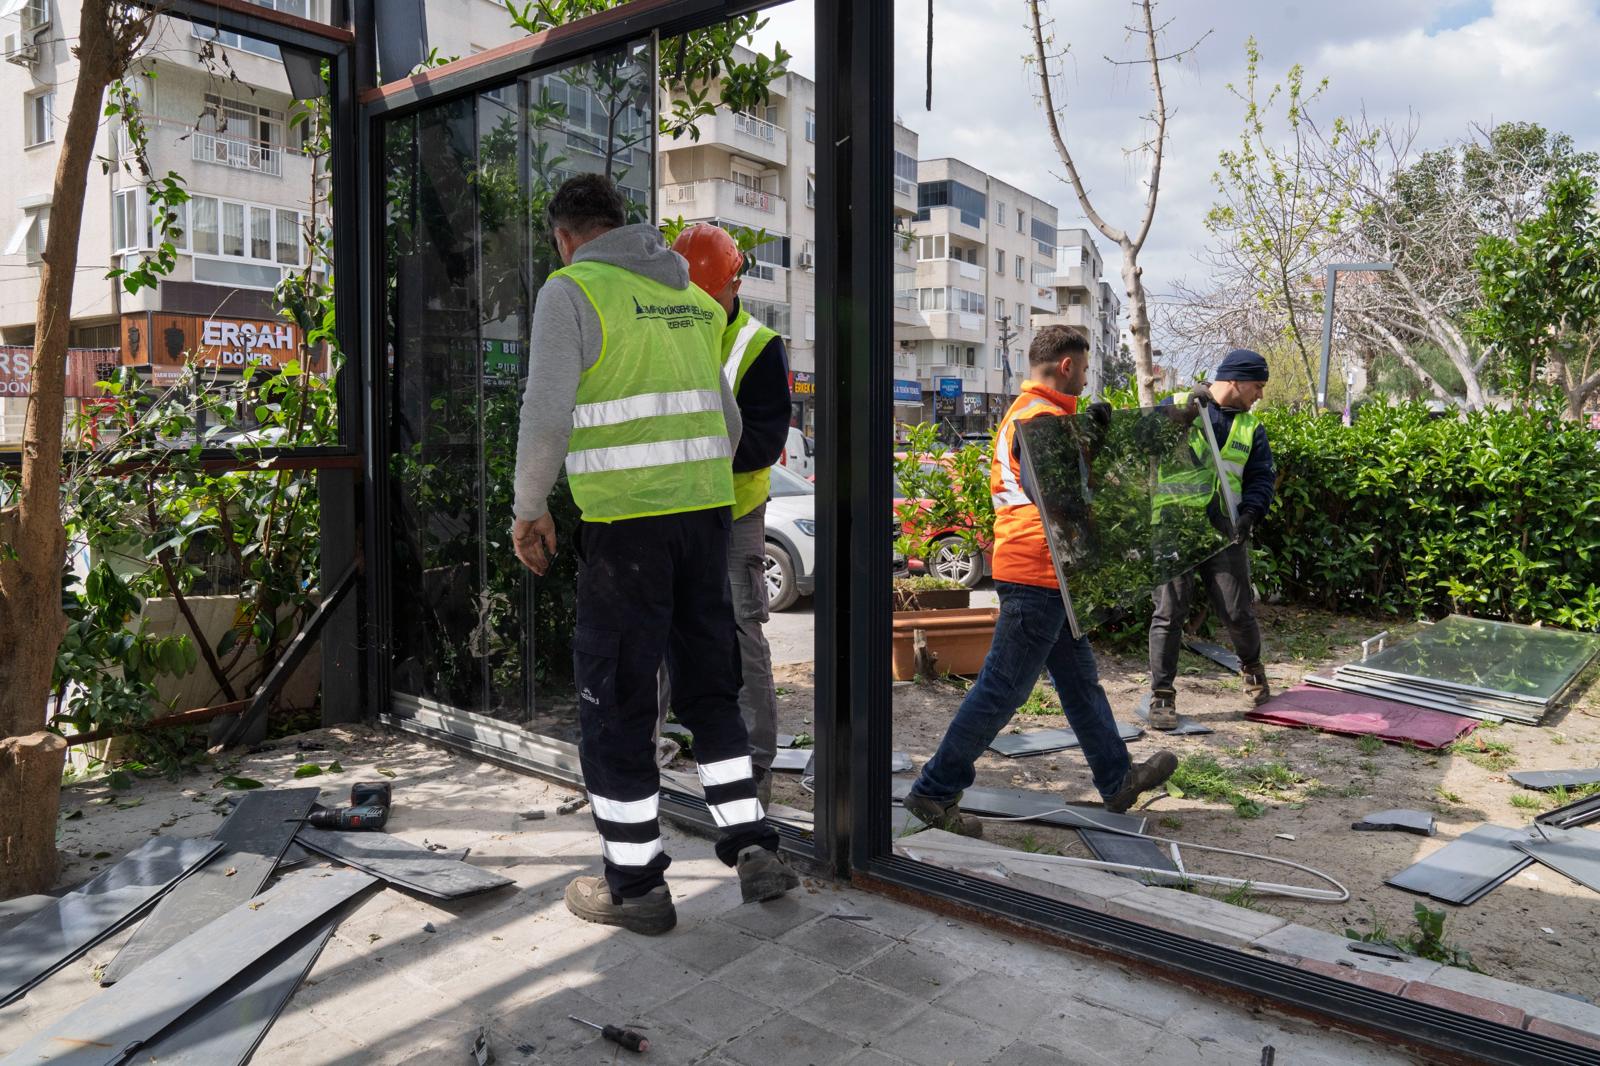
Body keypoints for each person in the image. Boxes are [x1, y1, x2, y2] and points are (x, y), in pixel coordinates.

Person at [511, 175, 798, 936]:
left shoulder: (571, 291)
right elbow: (729, 421)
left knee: (618, 702)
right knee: (711, 688)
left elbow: (544, 418)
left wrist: (529, 509)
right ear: (623, 225)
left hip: (627, 532)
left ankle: (635, 883)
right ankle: (752, 843)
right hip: (704, 520)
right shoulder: (694, 303)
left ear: (563, 236)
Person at [903, 326, 1178, 837]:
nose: (1088, 377)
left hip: (1047, 573)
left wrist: (1087, 441)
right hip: (1038, 574)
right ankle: (933, 792)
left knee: (1078, 683)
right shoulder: (1040, 419)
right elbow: (1060, 498)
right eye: (1086, 367)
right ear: (1067, 366)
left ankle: (1117, 780)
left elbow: (1059, 486)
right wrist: (1089, 446)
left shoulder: (1036, 415)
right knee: (1000, 691)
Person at [653, 224, 792, 805]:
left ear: (733, 286)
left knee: (741, 630)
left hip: (733, 513)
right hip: (674, 506)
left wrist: (693, 448)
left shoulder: (758, 345)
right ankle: (647, 746)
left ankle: (755, 765)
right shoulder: (663, 330)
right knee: (658, 628)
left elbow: (763, 441)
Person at [1146, 348, 1277, 730]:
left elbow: (1260, 478)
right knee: (1169, 614)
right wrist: (1181, 417)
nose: (1260, 395)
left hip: (1224, 530)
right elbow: (1143, 441)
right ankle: (1162, 697)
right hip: (1173, 527)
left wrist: (1251, 513)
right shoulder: (1179, 405)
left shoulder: (1251, 428)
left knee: (1238, 612)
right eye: (1258, 386)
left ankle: (1253, 672)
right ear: (1234, 380)